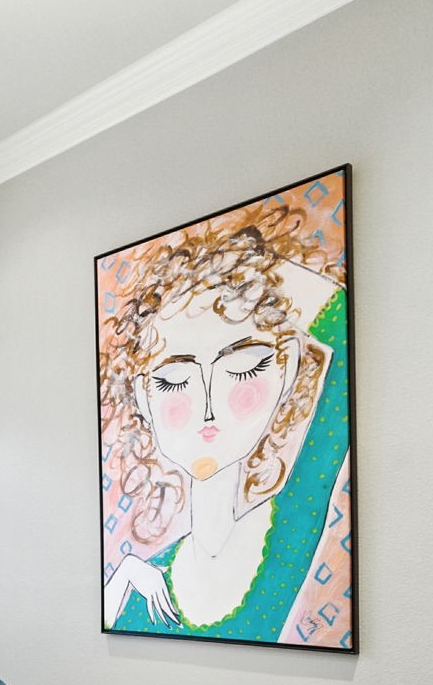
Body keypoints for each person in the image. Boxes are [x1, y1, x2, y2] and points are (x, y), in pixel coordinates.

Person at [98, 194, 349, 642]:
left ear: (287, 369)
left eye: (242, 369)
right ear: (144, 397)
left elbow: (342, 324)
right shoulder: (141, 583)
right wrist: (121, 581)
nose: (208, 408)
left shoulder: (289, 525)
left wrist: (236, 270)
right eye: (175, 380)